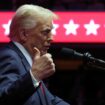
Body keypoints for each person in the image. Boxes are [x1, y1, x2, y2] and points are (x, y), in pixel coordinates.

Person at [0, 4, 70, 105]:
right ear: (23, 34)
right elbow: (4, 99)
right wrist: (35, 75)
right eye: (46, 32)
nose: (52, 38)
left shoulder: (28, 61)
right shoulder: (9, 56)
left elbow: (50, 101)